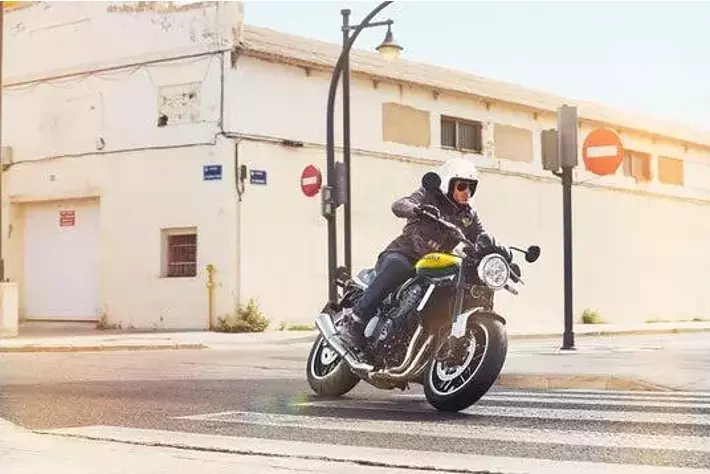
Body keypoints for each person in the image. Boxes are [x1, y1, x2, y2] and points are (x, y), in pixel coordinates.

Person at [338, 157, 488, 353]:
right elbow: (400, 204)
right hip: (404, 253)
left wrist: (495, 250)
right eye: (462, 186)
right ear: (448, 184)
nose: (467, 192)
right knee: (399, 267)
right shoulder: (429, 195)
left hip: (434, 265)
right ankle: (355, 321)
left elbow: (481, 237)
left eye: (471, 187)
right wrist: (417, 209)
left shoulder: (468, 215)